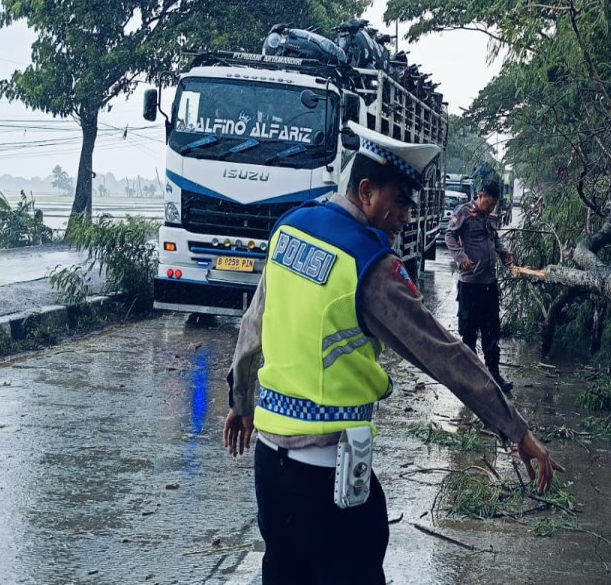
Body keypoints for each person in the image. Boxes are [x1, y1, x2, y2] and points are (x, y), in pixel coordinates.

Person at [222, 131, 563, 585]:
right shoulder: (369, 266)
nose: (405, 217)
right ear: (366, 192)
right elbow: (444, 356)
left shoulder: (290, 229)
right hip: (328, 480)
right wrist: (516, 430)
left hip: (269, 468)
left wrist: (242, 403)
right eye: (399, 203)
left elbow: (253, 325)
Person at [444, 179, 515, 392]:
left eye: (494, 205)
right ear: (481, 195)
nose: (490, 208)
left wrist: (504, 254)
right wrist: (460, 257)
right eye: (488, 203)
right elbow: (449, 235)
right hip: (470, 285)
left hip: (489, 284)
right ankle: (471, 378)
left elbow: (495, 239)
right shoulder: (464, 212)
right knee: (469, 333)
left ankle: (494, 375)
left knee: (492, 332)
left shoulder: (490, 217)